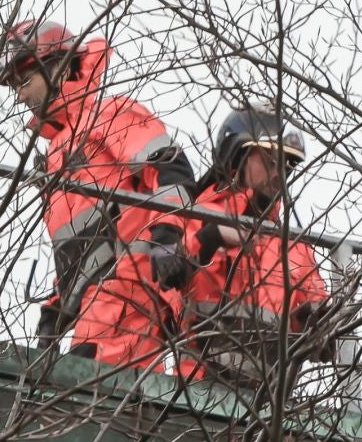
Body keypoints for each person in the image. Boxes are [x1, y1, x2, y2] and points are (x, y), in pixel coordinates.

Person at [0, 19, 195, 362]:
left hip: (129, 292)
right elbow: (86, 241)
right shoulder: (58, 151)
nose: (20, 95)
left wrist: (167, 236)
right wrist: (57, 306)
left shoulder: (108, 113)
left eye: (24, 81)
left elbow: (172, 168)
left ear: (57, 67)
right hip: (98, 304)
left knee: (97, 398)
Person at [133, 105, 335, 386]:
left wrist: (323, 323)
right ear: (236, 155)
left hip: (265, 411)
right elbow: (163, 281)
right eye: (270, 159)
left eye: (288, 164)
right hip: (195, 400)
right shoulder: (196, 216)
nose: (280, 173)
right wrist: (210, 237)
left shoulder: (293, 245)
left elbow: (316, 321)